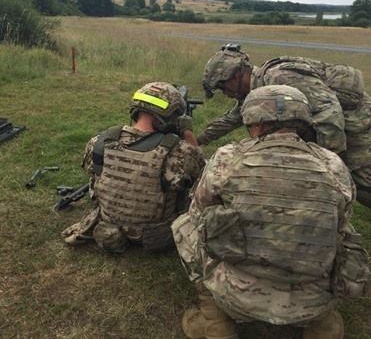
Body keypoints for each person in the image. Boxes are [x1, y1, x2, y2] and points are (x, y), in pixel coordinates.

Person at [172, 85, 369, 339]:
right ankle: (321, 326)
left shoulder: (226, 158)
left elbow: (199, 214)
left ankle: (216, 322)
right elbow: (341, 223)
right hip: (313, 303)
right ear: (300, 121)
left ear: (256, 123)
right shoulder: (332, 164)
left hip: (234, 297)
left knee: (186, 226)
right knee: (344, 233)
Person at [198, 43, 371, 209]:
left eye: (222, 87)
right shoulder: (258, 91)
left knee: (362, 183)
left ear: (235, 77)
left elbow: (329, 116)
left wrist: (327, 165)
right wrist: (200, 139)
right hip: (340, 128)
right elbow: (231, 119)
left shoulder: (279, 77)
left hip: (358, 126)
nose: (225, 94)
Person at [62, 82, 205, 253]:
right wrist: (188, 133)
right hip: (157, 235)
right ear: (171, 116)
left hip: (108, 223)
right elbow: (204, 175)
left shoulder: (100, 141)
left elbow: (92, 173)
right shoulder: (180, 151)